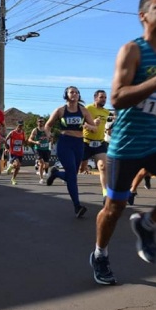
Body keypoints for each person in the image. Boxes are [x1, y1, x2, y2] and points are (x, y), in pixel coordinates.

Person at [90, 0, 156, 285]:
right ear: (143, 16)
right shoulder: (132, 50)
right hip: (127, 146)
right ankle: (100, 254)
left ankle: (147, 225)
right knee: (114, 210)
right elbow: (118, 97)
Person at [44, 86, 97, 218]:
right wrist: (48, 134)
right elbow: (48, 125)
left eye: (76, 92)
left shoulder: (83, 111)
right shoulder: (60, 110)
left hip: (79, 144)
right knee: (72, 176)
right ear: (66, 95)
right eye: (71, 92)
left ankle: (56, 173)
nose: (74, 94)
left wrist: (88, 126)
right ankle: (77, 206)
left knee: (72, 174)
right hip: (65, 143)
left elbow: (94, 129)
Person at [81, 90, 111, 202]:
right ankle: (56, 173)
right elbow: (81, 123)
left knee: (103, 167)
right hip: (86, 142)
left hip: (100, 143)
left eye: (105, 97)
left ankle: (105, 193)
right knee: (81, 168)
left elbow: (109, 125)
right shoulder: (87, 109)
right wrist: (91, 123)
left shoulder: (106, 112)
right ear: (95, 98)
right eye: (101, 97)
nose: (104, 99)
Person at [28, 117, 51, 184]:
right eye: (39, 121)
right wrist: (36, 142)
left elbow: (50, 137)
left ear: (44, 122)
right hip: (38, 149)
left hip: (46, 149)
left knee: (46, 165)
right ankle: (41, 179)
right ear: (37, 122)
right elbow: (29, 139)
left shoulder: (46, 129)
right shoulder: (35, 130)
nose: (41, 123)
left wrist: (50, 139)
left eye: (42, 121)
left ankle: (37, 164)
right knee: (41, 163)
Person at [5, 120, 26, 185]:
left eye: (21, 125)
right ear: (17, 125)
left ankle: (13, 178)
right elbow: (6, 139)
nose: (20, 127)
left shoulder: (23, 133)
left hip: (20, 152)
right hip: (13, 151)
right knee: (17, 164)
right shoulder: (12, 132)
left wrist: (24, 142)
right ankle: (11, 166)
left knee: (18, 167)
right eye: (19, 125)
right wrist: (6, 148)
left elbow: (24, 141)